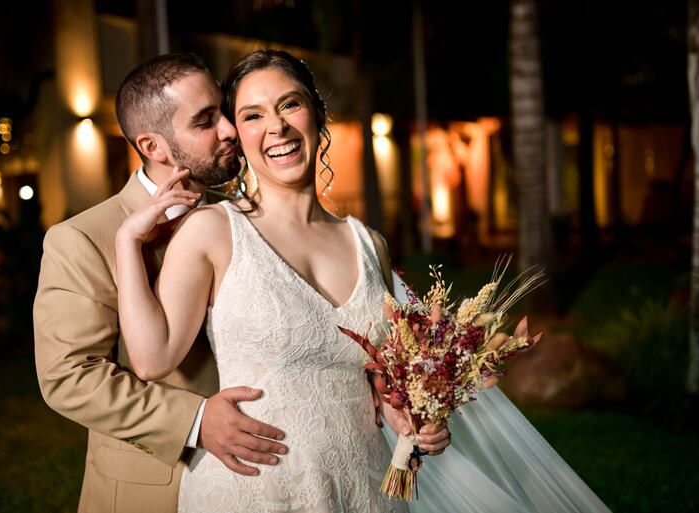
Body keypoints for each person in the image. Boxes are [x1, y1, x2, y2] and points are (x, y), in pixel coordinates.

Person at [115, 49, 451, 513]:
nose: (277, 127)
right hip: (256, 490)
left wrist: (411, 415)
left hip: (363, 489)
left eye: (290, 104)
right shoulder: (213, 231)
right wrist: (127, 241)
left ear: (316, 113)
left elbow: (379, 371)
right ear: (237, 134)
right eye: (253, 115)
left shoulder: (370, 244)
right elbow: (153, 359)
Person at [33, 53, 288, 513]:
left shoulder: (248, 219)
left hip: (268, 475)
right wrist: (194, 420)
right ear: (153, 146)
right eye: (205, 121)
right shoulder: (83, 239)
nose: (230, 130)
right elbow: (69, 378)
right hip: (155, 489)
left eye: (224, 112)